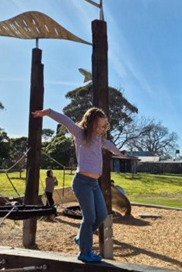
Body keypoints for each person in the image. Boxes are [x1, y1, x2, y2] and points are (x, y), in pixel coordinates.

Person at [32, 106, 125, 262]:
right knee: (89, 218)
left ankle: (81, 237)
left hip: (94, 183)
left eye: (103, 127)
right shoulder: (80, 134)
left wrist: (120, 153)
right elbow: (66, 121)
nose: (100, 129)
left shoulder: (99, 140)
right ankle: (84, 251)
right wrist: (48, 112)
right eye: (98, 126)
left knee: (102, 214)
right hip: (82, 182)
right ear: (89, 123)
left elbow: (109, 145)